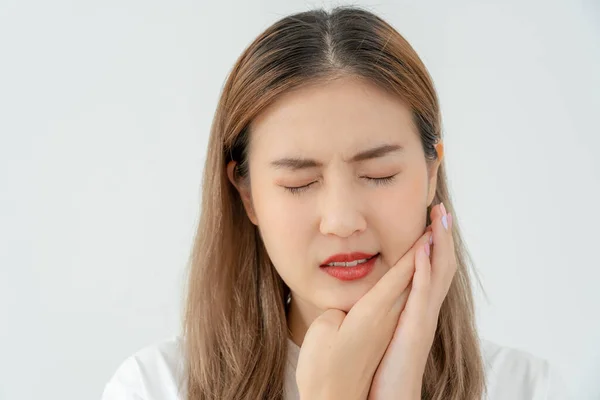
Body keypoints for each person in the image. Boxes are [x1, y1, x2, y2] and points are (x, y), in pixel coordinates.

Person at [101, 6, 569, 400]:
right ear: (247, 195)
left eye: (378, 175)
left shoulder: (526, 388)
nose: (342, 221)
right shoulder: (154, 387)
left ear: (431, 174)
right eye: (300, 182)